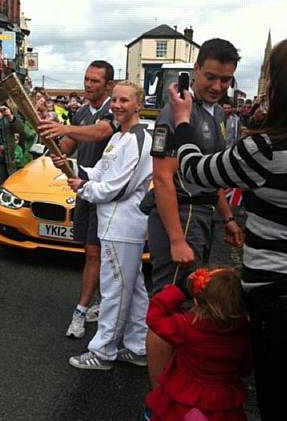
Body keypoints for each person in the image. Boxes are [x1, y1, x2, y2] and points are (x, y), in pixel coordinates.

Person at [169, 35, 287, 421]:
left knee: (281, 419)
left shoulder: (267, 149)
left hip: (277, 299)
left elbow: (196, 171)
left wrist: (182, 122)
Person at [146, 38, 244, 389]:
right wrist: (175, 238)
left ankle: (177, 389)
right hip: (180, 216)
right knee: (167, 307)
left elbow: (212, 174)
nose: (218, 86)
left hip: (203, 216)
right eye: (212, 77)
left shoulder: (217, 113)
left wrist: (228, 217)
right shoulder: (174, 111)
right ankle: (159, 405)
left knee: (189, 302)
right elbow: (162, 178)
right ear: (197, 69)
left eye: (226, 79)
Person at [66, 81, 152, 369]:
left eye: (124, 100)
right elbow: (99, 172)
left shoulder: (140, 138)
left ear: (138, 104)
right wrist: (70, 167)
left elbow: (119, 188)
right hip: (111, 223)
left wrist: (83, 188)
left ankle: (103, 352)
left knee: (115, 289)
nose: (116, 105)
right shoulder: (118, 137)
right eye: (114, 99)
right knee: (135, 287)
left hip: (123, 226)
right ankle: (138, 346)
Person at [39, 61, 116, 338]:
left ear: (108, 85)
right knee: (90, 252)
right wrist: (53, 146)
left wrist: (62, 129)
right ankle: (102, 303)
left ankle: (81, 312)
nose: (88, 84)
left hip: (108, 193)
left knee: (99, 253)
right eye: (86, 79)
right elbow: (67, 147)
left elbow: (101, 132)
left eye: (95, 81)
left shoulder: (114, 109)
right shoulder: (82, 111)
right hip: (84, 191)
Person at [142, 268, 251, 421]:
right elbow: (245, 368)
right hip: (222, 401)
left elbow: (155, 316)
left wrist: (179, 289)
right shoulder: (244, 332)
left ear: (197, 299)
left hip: (185, 396)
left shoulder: (186, 327)